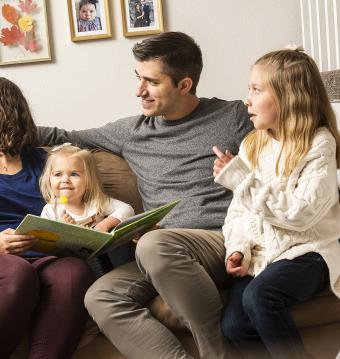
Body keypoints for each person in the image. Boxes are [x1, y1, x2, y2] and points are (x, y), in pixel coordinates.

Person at [38, 31, 253, 358]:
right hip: (162, 253)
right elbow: (63, 136)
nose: (139, 90)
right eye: (138, 78)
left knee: (153, 243)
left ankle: (217, 353)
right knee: (100, 297)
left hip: (220, 239)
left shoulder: (232, 117)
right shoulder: (132, 131)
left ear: (184, 85)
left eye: (151, 82)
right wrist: (0, 128)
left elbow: (283, 152)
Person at [0, 76, 94, 359]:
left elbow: (63, 206)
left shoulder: (42, 161)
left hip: (42, 256)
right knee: (16, 271)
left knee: (74, 271)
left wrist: (75, 225)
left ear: (3, 108)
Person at [213, 48, 340, 359]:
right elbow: (240, 211)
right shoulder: (253, 144)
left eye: (256, 90)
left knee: (260, 296)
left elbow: (301, 214)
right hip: (265, 255)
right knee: (233, 326)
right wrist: (239, 247)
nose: (247, 100)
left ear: (288, 97)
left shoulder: (319, 144)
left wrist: (242, 180)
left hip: (309, 251)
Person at [39, 143, 134, 231]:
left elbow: (127, 209)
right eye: (58, 174)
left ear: (88, 180)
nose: (65, 180)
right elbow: (46, 242)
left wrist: (104, 225)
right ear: (49, 180)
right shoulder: (50, 211)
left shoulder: (97, 202)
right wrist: (62, 230)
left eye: (74, 174)